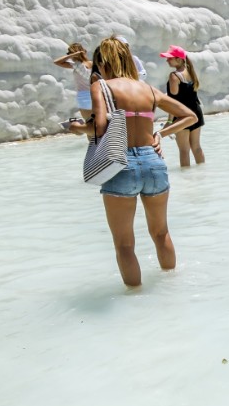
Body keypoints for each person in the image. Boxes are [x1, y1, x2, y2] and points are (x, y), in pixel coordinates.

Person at [71, 37, 198, 287]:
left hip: (122, 165)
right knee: (161, 234)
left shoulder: (102, 87)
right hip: (154, 162)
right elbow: (190, 115)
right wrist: (159, 134)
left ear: (103, 63)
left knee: (125, 245)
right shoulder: (148, 89)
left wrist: (77, 128)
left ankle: (134, 299)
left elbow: (99, 127)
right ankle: (172, 288)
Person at [161, 45, 206, 167]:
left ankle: (187, 183)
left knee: (184, 150)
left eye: (169, 58)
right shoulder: (191, 72)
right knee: (196, 147)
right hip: (196, 113)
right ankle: (203, 176)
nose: (167, 60)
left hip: (182, 115)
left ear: (179, 59)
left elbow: (173, 101)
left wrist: (170, 121)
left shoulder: (174, 76)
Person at [53, 42, 94, 119]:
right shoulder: (92, 63)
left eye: (69, 52)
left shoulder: (76, 65)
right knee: (98, 119)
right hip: (95, 93)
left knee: (88, 120)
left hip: (83, 95)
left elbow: (56, 62)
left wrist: (71, 55)